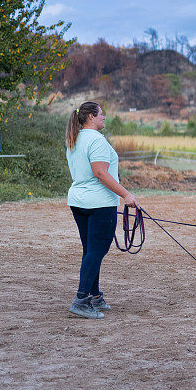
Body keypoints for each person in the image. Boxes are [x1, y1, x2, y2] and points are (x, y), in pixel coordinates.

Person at [65, 101, 138, 319]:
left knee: (90, 251)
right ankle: (81, 300)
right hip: (99, 203)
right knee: (96, 251)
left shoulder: (75, 138)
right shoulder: (96, 140)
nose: (104, 117)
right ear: (91, 117)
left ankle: (95, 296)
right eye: (101, 114)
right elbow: (100, 173)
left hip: (79, 201)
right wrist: (126, 195)